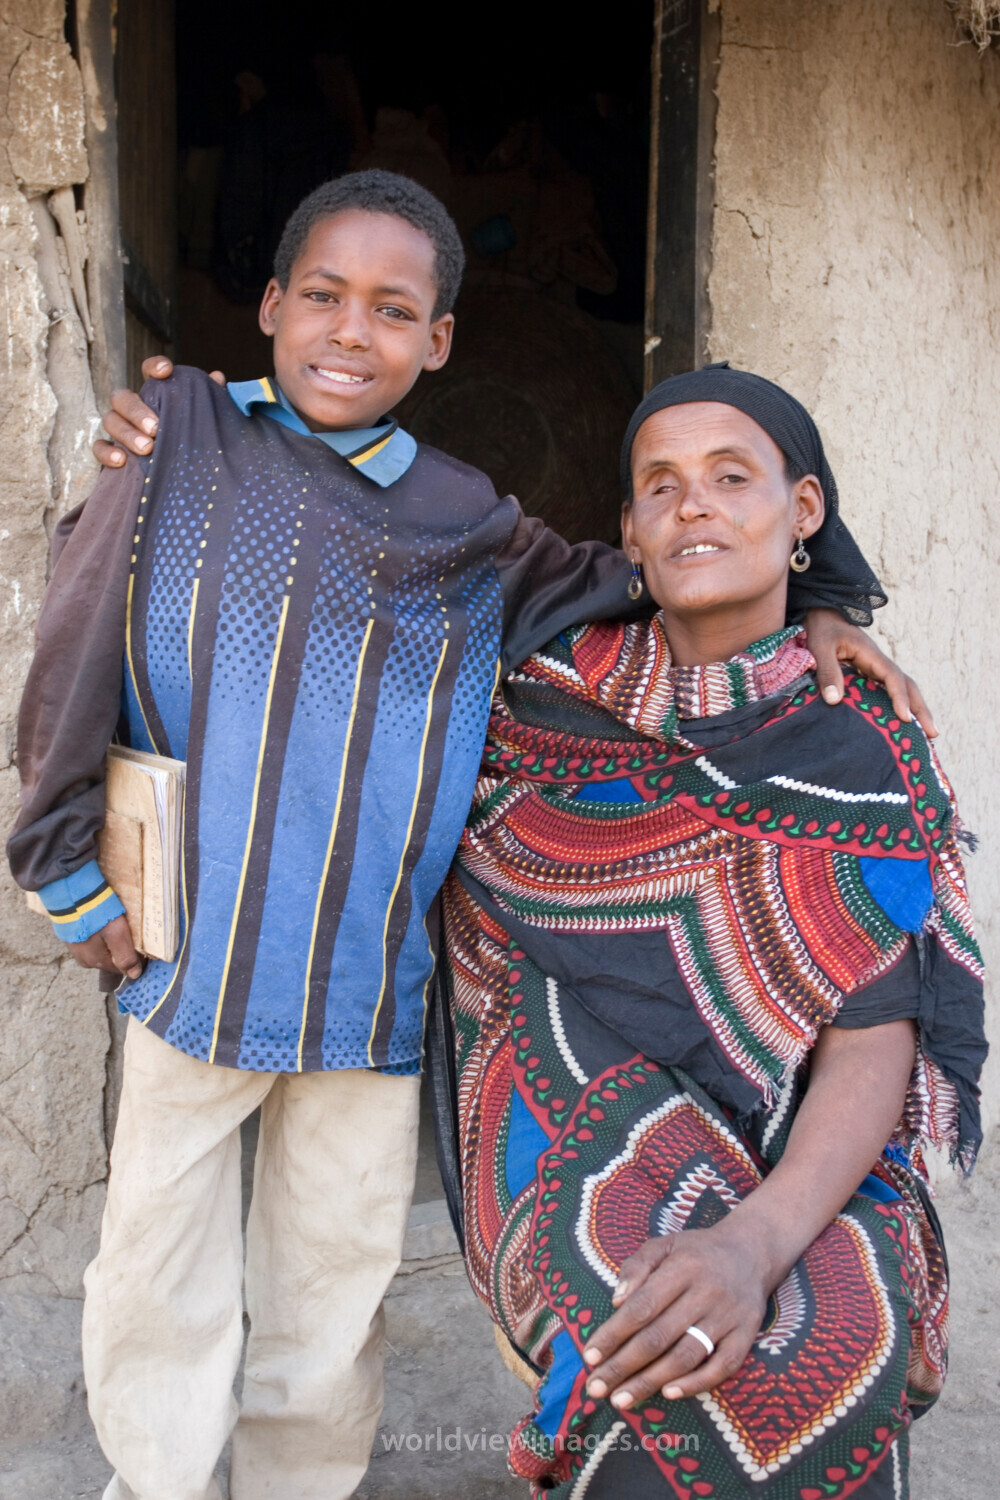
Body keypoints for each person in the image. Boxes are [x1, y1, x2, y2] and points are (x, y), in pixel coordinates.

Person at [24, 163, 926, 1498]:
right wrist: (59, 868)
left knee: (332, 1285)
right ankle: (153, 1483)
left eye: (394, 310)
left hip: (371, 984)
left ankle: (296, 1486)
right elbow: (75, 637)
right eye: (322, 296)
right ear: (268, 306)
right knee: (156, 1264)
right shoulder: (179, 440)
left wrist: (827, 602)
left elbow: (654, 570)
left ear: (440, 342)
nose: (350, 331)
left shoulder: (466, 518)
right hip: (189, 956)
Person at [431, 365, 986, 1499]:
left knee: (829, 1359)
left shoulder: (856, 747)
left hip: (806, 1148)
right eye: (662, 486)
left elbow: (871, 1040)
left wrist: (754, 1241)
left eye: (732, 478)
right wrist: (187, 432)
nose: (695, 505)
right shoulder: (537, 703)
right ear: (628, 532)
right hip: (561, 1104)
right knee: (653, 1368)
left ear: (804, 512)